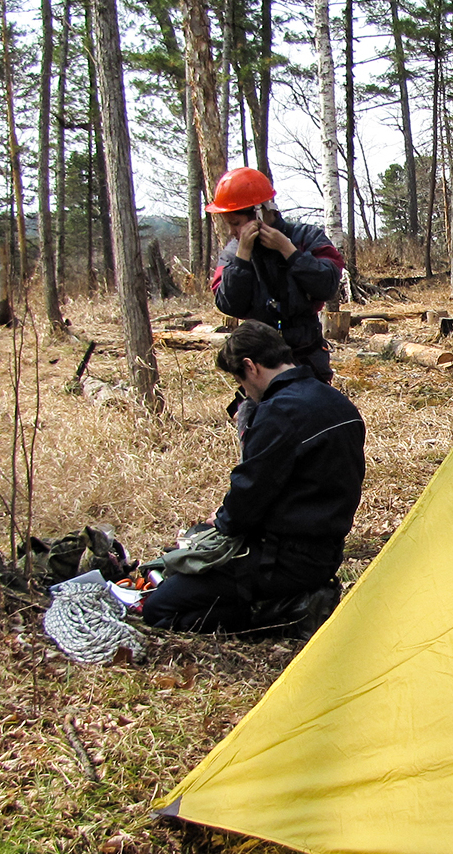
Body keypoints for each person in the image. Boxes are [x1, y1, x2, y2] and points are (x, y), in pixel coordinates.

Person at [141, 321, 365, 635]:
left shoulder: (278, 413)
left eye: (241, 381)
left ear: (250, 366)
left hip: (279, 562)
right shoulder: (339, 403)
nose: (245, 392)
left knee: (159, 609)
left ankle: (285, 615)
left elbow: (248, 497)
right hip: (325, 554)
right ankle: (288, 603)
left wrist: (221, 522)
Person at [206, 167, 345, 383]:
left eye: (236, 223)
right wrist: (242, 258)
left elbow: (327, 286)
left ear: (259, 213)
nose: (232, 232)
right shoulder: (234, 253)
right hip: (259, 363)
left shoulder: (307, 237)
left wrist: (290, 252)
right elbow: (228, 304)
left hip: (307, 357)